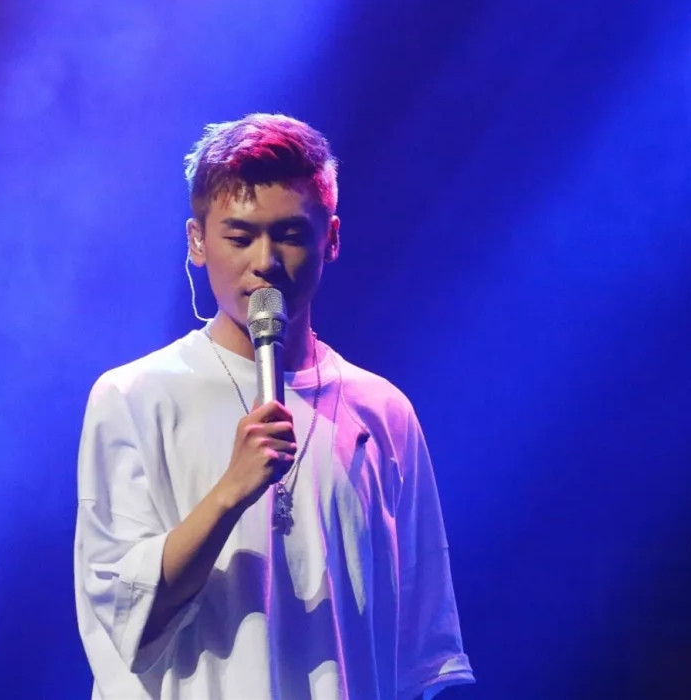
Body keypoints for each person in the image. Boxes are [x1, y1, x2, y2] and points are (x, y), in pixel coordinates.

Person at [74, 113, 474, 699]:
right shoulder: (135, 396)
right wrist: (230, 491)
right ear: (197, 241)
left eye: (289, 234)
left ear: (330, 238)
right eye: (239, 238)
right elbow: (124, 620)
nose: (264, 261)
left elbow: (424, 651)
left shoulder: (383, 412)